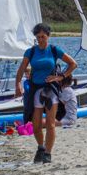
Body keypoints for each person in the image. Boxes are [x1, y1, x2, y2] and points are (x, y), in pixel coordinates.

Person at [13, 22, 77, 164]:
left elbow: (73, 64)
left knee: (50, 123)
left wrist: (61, 76)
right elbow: (21, 69)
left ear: (48, 36)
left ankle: (48, 153)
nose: (41, 40)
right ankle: (41, 148)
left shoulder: (54, 50)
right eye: (38, 37)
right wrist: (18, 85)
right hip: (36, 90)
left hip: (51, 90)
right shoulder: (31, 52)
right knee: (35, 125)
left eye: (43, 36)